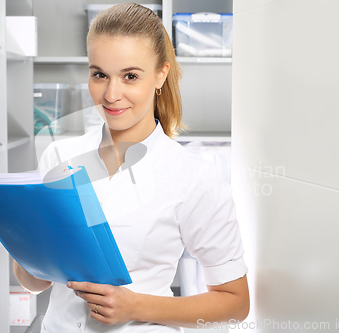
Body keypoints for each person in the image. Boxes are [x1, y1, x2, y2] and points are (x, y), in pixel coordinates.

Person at [13, 3, 250, 332]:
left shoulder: (194, 177)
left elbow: (235, 303)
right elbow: (35, 282)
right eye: (99, 75)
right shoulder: (58, 156)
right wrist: (24, 240)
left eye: (130, 76)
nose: (111, 94)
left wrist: (135, 306)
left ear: (160, 75)